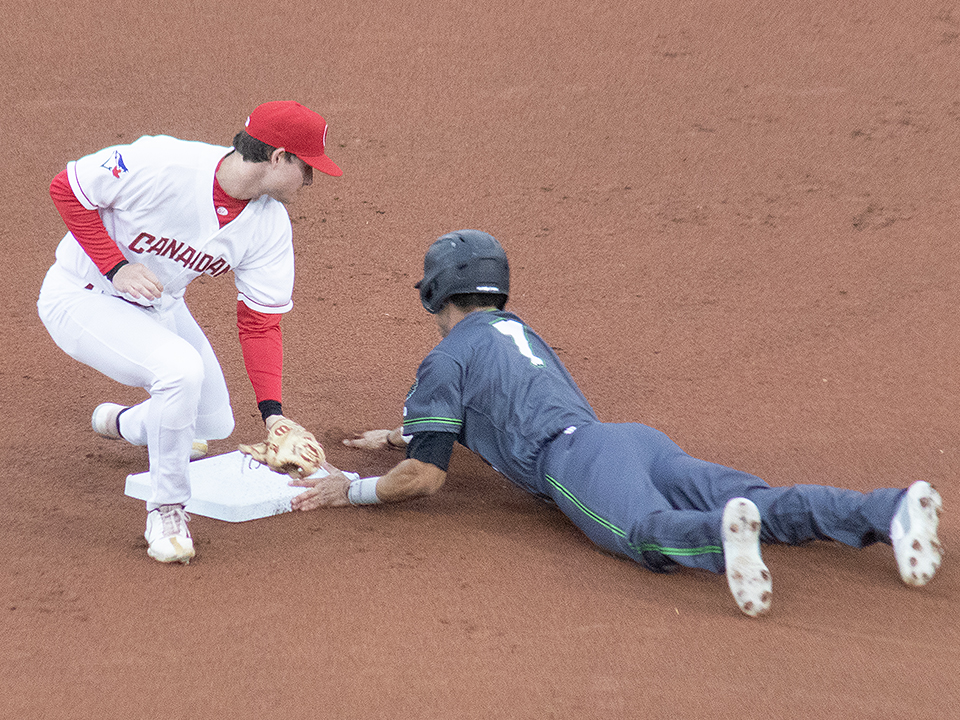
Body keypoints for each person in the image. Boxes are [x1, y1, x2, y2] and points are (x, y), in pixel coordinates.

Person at [289, 230, 945, 617]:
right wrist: (400, 433)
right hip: (636, 441)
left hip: (575, 461)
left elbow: (424, 477)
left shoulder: (444, 358)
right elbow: (475, 410)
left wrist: (352, 489)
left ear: (437, 290)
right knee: (763, 498)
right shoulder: (518, 332)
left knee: (642, 532)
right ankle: (890, 511)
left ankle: (721, 535)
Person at [38, 101, 343, 565]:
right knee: (180, 372)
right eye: (308, 167)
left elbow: (259, 321)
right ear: (279, 157)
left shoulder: (268, 226)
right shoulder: (164, 162)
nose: (311, 180)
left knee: (212, 422)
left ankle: (125, 423)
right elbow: (68, 187)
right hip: (82, 296)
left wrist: (273, 415)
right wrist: (116, 267)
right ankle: (166, 510)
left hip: (158, 305)